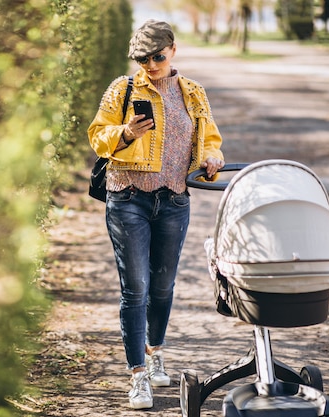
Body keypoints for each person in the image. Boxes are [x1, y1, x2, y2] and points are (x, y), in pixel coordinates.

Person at [87, 19, 225, 410]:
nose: (150, 64)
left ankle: (155, 352)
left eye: (157, 56)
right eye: (143, 58)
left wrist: (212, 158)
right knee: (136, 289)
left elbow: (209, 139)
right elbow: (97, 135)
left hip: (175, 201)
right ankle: (137, 375)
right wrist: (126, 134)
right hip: (128, 198)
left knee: (163, 288)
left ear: (173, 50)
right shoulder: (123, 89)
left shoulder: (193, 92)